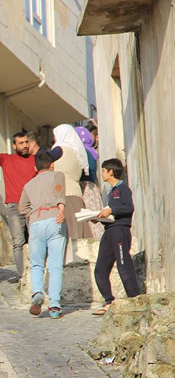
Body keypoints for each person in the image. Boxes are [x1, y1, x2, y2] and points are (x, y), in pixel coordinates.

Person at [0, 127, 37, 283]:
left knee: (35, 239)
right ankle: (22, 275)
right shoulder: (6, 159)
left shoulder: (36, 160)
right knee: (18, 241)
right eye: (21, 143)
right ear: (14, 146)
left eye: (26, 142)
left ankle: (36, 272)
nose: (24, 145)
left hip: (32, 205)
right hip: (13, 206)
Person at [19, 151, 67, 319]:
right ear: (52, 165)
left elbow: (21, 208)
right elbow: (59, 194)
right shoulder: (57, 175)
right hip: (55, 219)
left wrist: (33, 214)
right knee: (55, 266)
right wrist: (61, 209)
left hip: (36, 222)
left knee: (37, 264)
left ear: (35, 168)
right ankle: (54, 306)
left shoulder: (29, 184)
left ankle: (37, 292)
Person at [92, 159, 141, 315]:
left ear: (110, 171)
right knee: (100, 268)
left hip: (120, 231)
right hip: (109, 231)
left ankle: (135, 299)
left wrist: (111, 209)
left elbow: (128, 208)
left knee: (123, 264)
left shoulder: (122, 189)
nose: (102, 173)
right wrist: (99, 216)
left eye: (104, 170)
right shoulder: (110, 191)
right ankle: (109, 300)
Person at [51, 124, 93, 244]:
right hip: (76, 194)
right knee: (79, 232)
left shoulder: (59, 150)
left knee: (69, 233)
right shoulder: (77, 152)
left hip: (64, 194)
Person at [75, 125, 105, 239]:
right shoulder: (91, 151)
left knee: (88, 217)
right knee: (95, 217)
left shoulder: (81, 152)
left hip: (84, 188)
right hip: (92, 187)